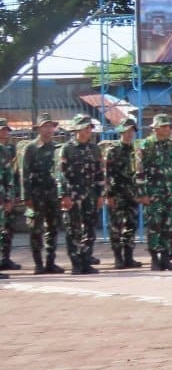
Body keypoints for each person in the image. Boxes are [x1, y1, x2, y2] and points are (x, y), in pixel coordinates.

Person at [56, 114, 104, 274]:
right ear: (77, 129)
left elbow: (99, 173)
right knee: (73, 230)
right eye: (85, 127)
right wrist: (64, 195)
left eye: (90, 127)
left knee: (90, 229)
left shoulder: (95, 149)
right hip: (73, 195)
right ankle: (76, 263)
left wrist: (101, 195)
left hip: (90, 195)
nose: (88, 130)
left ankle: (86, 260)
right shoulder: (67, 149)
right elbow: (61, 174)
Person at [136, 114, 172, 271]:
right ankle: (154, 259)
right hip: (153, 192)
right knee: (154, 225)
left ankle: (165, 258)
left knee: (168, 225)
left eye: (168, 126)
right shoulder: (146, 145)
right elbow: (139, 171)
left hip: (170, 191)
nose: (167, 129)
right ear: (155, 128)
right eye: (163, 126)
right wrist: (142, 193)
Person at [21, 113, 63, 273]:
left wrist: (61, 193)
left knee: (53, 228)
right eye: (45, 126)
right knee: (35, 230)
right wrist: (26, 196)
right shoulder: (31, 148)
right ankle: (38, 263)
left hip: (53, 195)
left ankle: (50, 262)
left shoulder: (57, 148)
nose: (48, 129)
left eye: (50, 126)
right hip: (36, 195)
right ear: (39, 129)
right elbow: (25, 173)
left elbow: (60, 172)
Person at [101, 117, 142, 269]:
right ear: (121, 132)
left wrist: (140, 192)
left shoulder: (135, 150)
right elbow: (106, 174)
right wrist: (108, 195)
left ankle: (129, 257)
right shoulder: (113, 150)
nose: (130, 133)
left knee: (131, 225)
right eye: (127, 131)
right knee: (115, 226)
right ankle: (118, 258)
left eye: (132, 131)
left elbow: (139, 172)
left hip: (132, 193)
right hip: (116, 193)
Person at [0, 118, 17, 274]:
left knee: (5, 229)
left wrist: (10, 197)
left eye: (6, 130)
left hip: (2, 196)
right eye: (2, 130)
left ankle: (4, 259)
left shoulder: (6, 150)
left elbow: (9, 175)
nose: (5, 132)